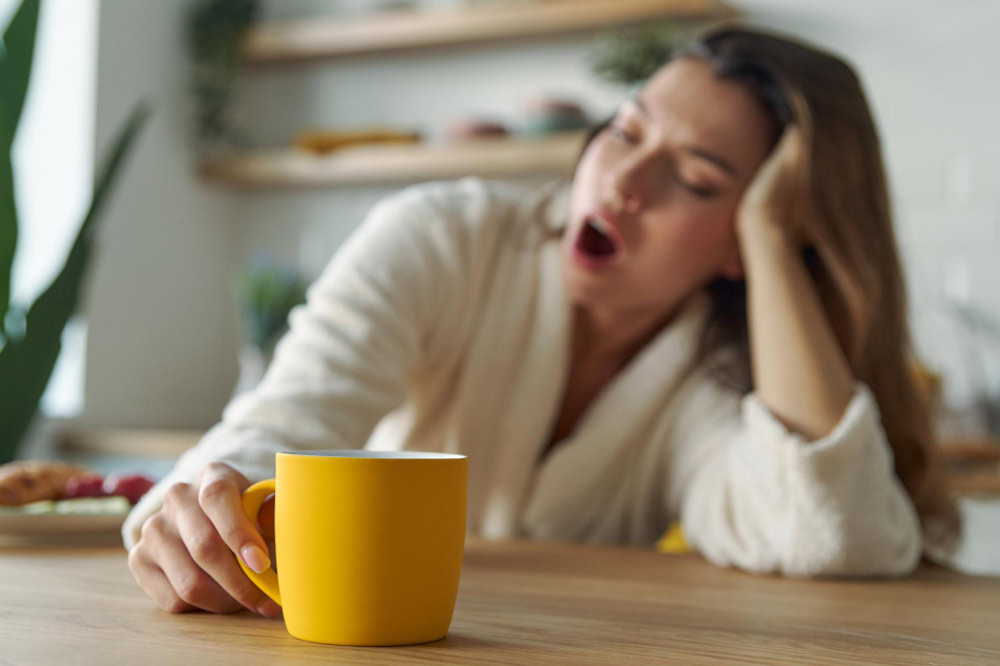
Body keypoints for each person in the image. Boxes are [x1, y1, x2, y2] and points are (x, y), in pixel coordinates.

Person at [125, 26, 960, 616]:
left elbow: (832, 536)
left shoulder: (719, 377)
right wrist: (202, 506)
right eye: (626, 129)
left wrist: (777, 236)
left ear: (742, 241)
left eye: (698, 180)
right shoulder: (446, 237)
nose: (624, 180)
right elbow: (279, 425)